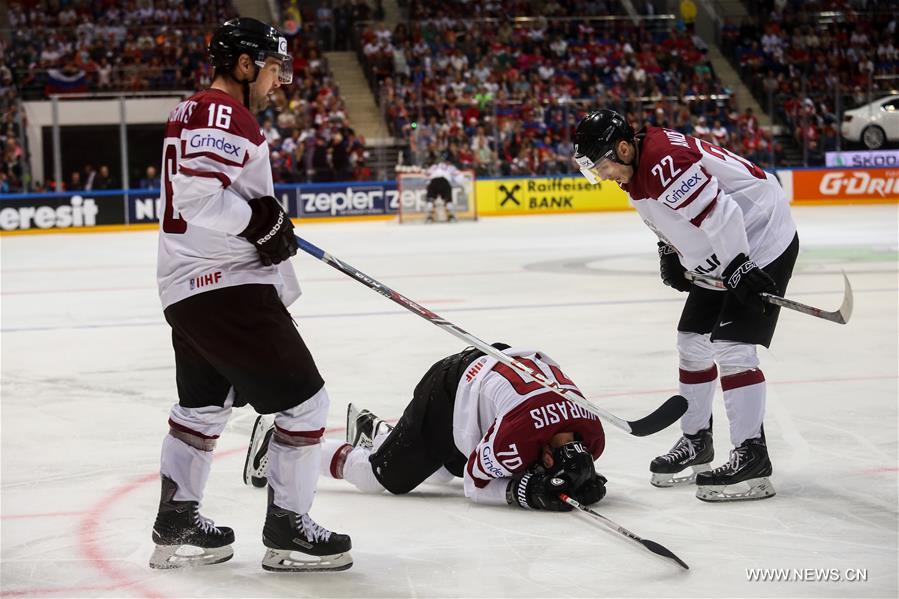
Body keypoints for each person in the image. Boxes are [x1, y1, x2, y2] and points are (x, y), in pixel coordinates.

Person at [150, 17, 352, 572]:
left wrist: (262, 225)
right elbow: (196, 197)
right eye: (269, 68)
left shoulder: (192, 111)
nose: (276, 81)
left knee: (201, 409)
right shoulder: (222, 111)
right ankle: (288, 530)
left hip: (189, 287)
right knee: (306, 404)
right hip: (225, 284)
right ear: (242, 65)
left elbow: (204, 196)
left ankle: (178, 520)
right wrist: (259, 225)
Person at [573, 109, 798, 502]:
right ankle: (697, 440)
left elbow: (721, 213)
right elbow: (674, 215)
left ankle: (752, 456)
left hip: (760, 237)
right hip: (723, 248)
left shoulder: (663, 162)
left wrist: (740, 267)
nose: (603, 176)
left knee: (732, 348)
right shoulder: (639, 163)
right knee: (692, 341)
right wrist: (671, 250)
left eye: (603, 165)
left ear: (623, 147)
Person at [244, 344, 609, 511]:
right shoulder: (516, 436)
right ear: (547, 454)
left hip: (491, 371)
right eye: (539, 464)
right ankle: (276, 445)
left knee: (436, 476)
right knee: (380, 478)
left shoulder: (590, 433)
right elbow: (475, 482)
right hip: (450, 392)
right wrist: (523, 493)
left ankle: (379, 433)